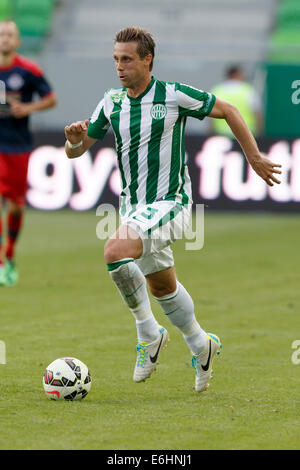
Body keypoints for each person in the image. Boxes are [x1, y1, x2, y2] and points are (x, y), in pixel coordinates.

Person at [64, 27, 281, 392]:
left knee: (114, 251)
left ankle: (149, 334)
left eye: (127, 59)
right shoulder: (111, 102)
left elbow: (228, 109)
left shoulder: (174, 95)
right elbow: (78, 149)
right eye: (116, 59)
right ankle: (201, 344)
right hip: (133, 209)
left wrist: (254, 157)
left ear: (147, 59)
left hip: (171, 204)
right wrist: (71, 143)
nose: (119, 66)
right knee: (163, 286)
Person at [0, 19, 57, 286]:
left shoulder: (28, 71)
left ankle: (9, 254)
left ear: (18, 41)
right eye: (2, 34)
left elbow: (51, 98)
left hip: (18, 146)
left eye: (10, 35)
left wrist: (28, 109)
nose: (5, 39)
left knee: (15, 206)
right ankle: (0, 262)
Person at [210, 65, 263, 137]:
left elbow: (210, 115)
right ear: (236, 74)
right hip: (245, 135)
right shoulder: (249, 90)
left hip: (222, 134)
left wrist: (211, 133)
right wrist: (259, 134)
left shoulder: (217, 90)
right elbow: (257, 114)